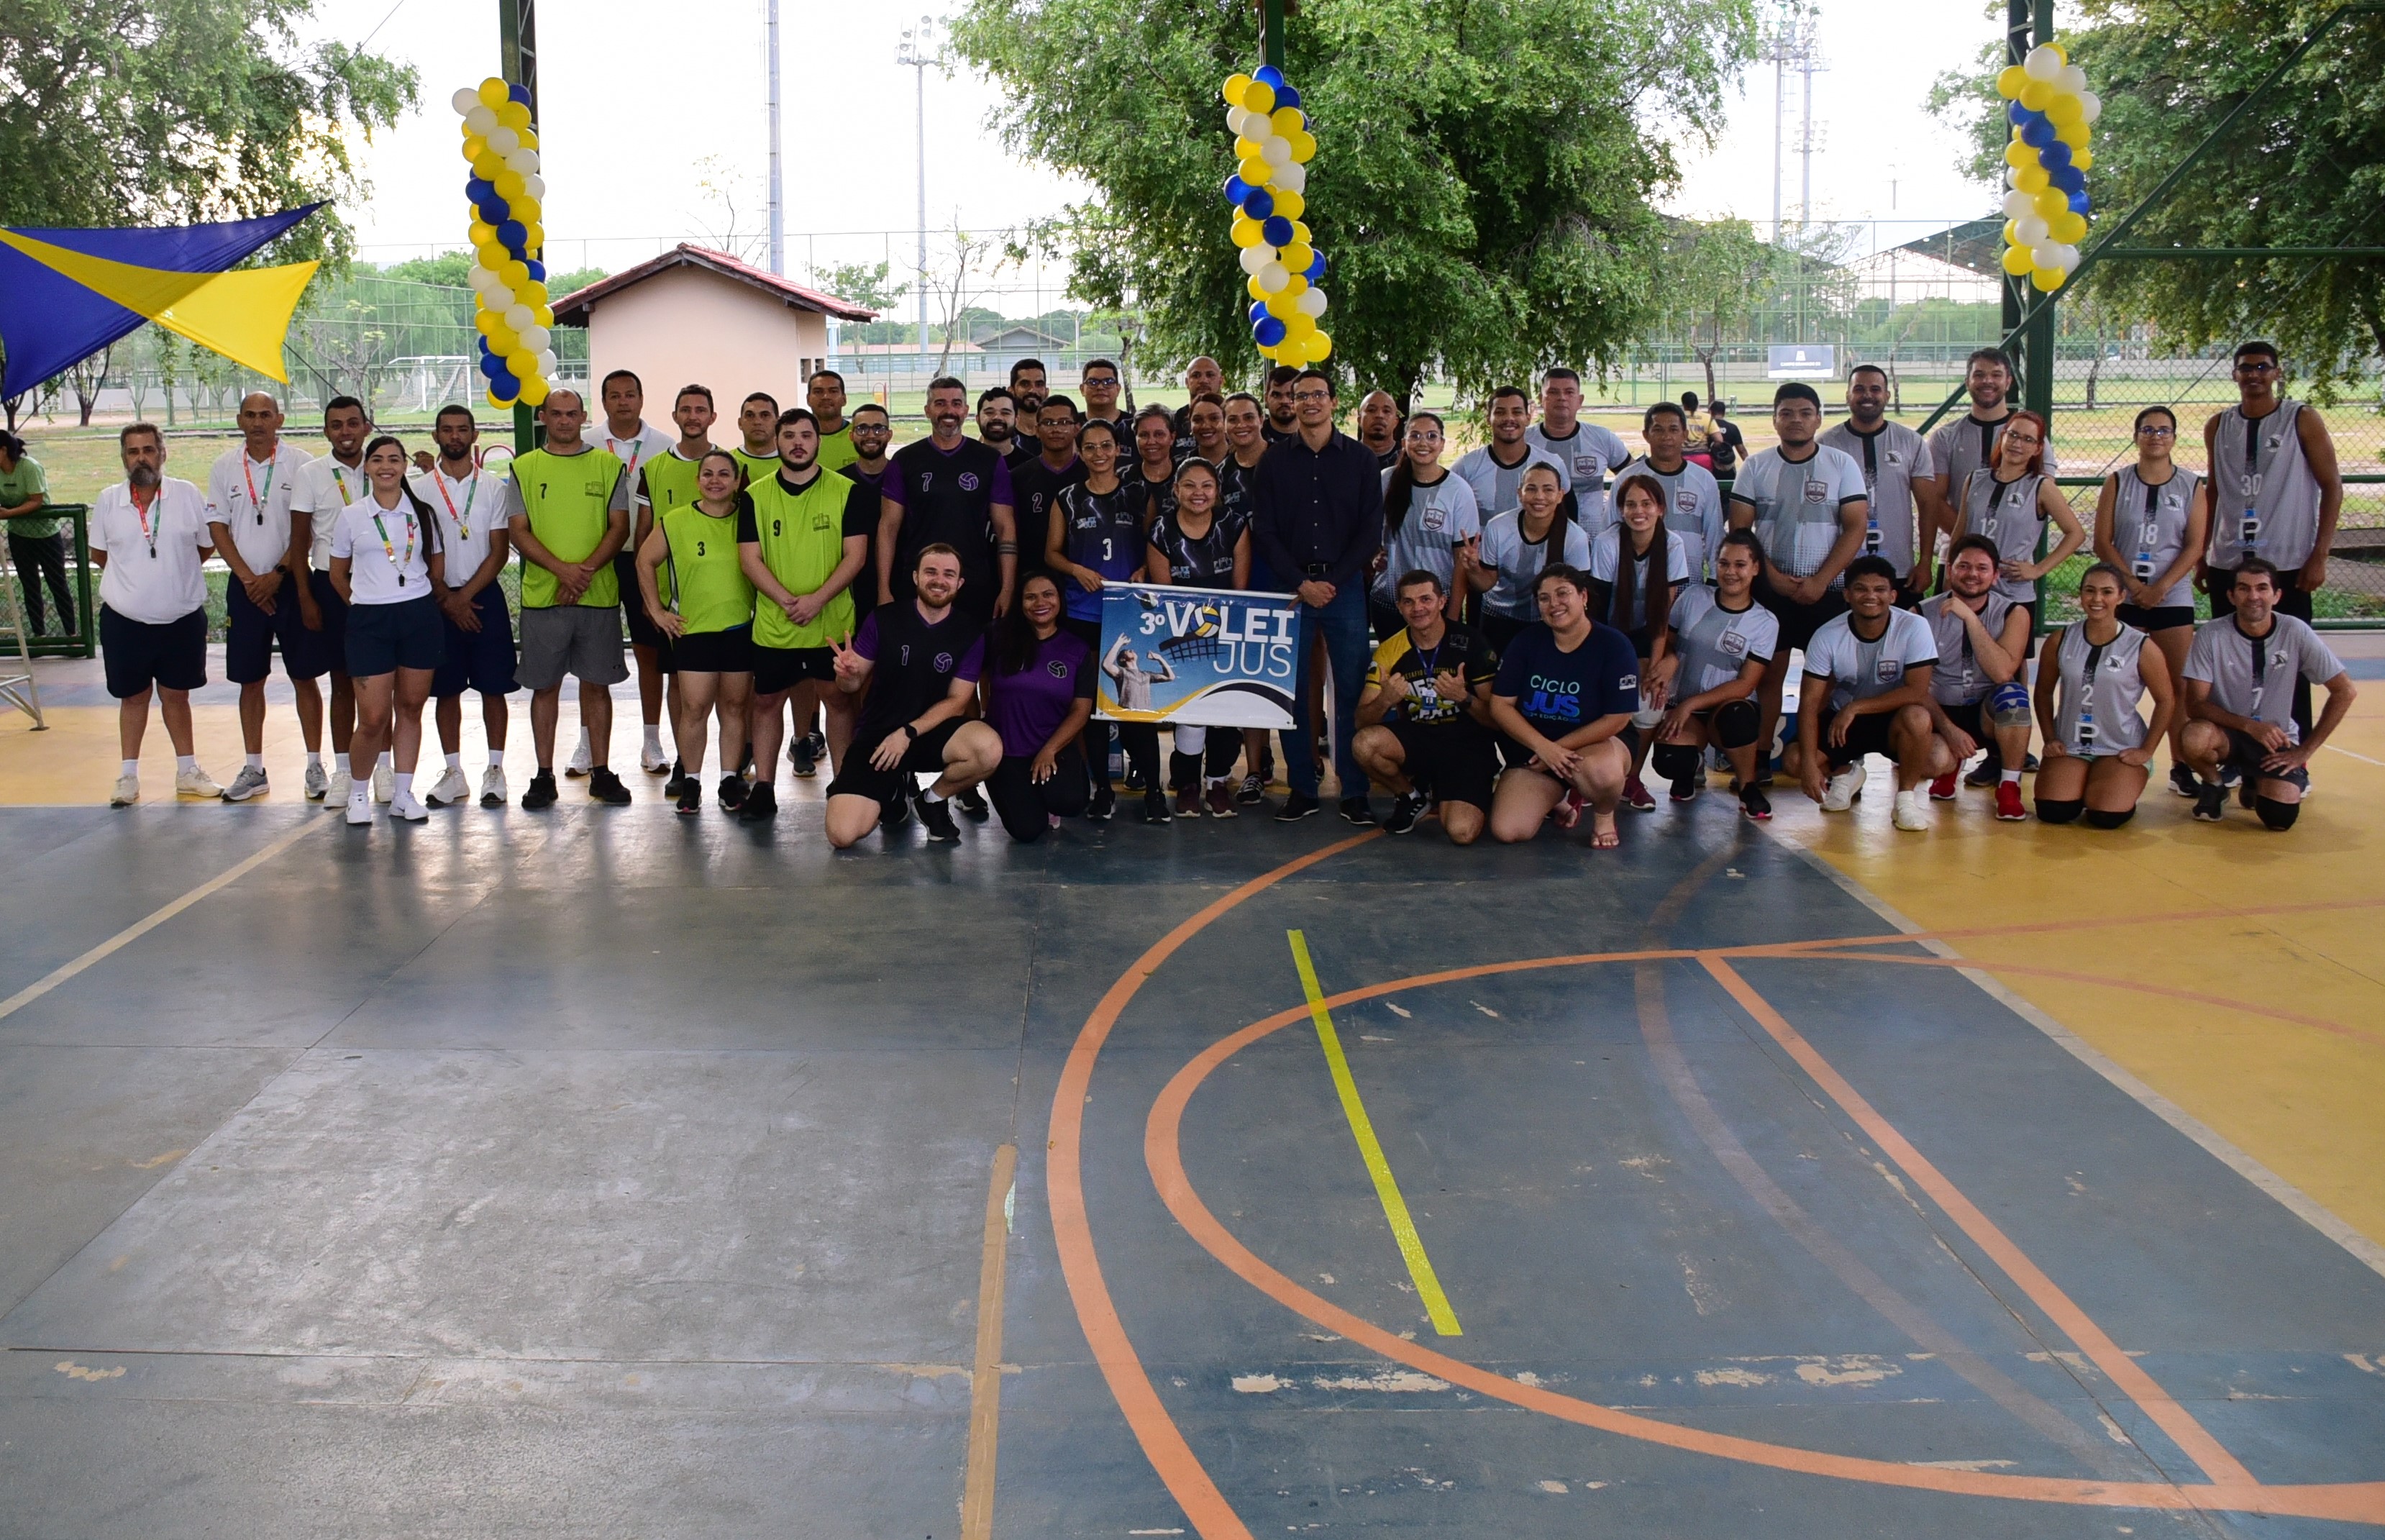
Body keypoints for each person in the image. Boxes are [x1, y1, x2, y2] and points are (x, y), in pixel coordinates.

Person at [1252, 368, 1384, 824]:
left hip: (1343, 589)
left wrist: (1333, 581)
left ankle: (1354, 789)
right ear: (1290, 401)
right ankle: (1303, 788)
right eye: (1299, 395)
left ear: (1333, 402)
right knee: (1289, 693)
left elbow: (1370, 532)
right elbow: (1264, 531)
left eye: (1317, 395)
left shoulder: (1362, 461)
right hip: (1290, 590)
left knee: (1350, 692)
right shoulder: (1273, 461)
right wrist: (1301, 583)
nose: (1309, 402)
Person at [1727, 382, 1871, 783]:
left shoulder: (1841, 464)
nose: (1795, 420)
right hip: (1772, 592)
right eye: (1786, 413)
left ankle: (1833, 756)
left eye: (1805, 413)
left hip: (1827, 590)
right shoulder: (1756, 467)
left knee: (1828, 676)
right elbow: (1741, 530)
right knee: (1769, 674)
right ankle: (1760, 756)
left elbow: (1855, 527)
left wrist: (1822, 581)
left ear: (1819, 419)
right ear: (1774, 419)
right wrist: (1771, 575)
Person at [2202, 340, 2343, 737]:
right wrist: (2202, 553)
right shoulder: (2219, 424)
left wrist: (2320, 555)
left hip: (2287, 562)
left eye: (2262, 368)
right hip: (2228, 560)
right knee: (2228, 660)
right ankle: (2233, 748)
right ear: (2234, 375)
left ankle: (2294, 748)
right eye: (2246, 368)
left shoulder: (2302, 418)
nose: (2254, 375)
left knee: (2289, 660)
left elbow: (2332, 486)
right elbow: (2213, 492)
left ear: (2277, 373)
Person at [739, 409, 870, 822]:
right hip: (776, 626)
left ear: (818, 441)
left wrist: (817, 600)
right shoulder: (755, 495)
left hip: (831, 624)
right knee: (764, 703)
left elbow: (856, 555)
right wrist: (786, 601)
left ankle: (844, 783)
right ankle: (764, 787)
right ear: (777, 441)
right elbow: (749, 559)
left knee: (840, 702)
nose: (798, 442)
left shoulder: (847, 491)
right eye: (789, 435)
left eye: (806, 435)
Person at [824, 545, 1002, 847]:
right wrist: (848, 675)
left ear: (959, 584)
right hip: (880, 735)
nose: (939, 580)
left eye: (949, 574)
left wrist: (908, 733)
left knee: (988, 749)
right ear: (916, 577)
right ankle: (895, 792)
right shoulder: (883, 619)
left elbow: (958, 701)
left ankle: (930, 800)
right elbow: (850, 688)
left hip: (929, 732)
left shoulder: (970, 632)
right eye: (931, 572)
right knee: (842, 835)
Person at [505, 389, 634, 809]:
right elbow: (518, 531)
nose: (564, 421)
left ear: (583, 416)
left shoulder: (608, 465)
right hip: (545, 598)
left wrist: (584, 573)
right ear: (543, 417)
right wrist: (564, 572)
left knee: (597, 688)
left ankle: (601, 772)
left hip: (596, 597)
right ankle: (543, 775)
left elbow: (619, 527)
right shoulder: (523, 468)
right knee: (544, 689)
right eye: (555, 414)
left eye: (571, 414)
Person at [91, 424, 219, 806]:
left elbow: (204, 547)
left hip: (180, 619)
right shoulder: (109, 500)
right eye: (133, 452)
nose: (141, 458)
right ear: (124, 458)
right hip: (125, 621)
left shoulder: (186, 495)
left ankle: (187, 771)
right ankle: (128, 776)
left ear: (163, 454)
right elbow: (101, 555)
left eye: (149, 449)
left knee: (176, 696)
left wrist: (171, 577)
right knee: (133, 698)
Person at [2179, 559, 2356, 830]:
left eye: (2262, 588)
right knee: (2194, 737)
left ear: (2277, 595)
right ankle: (2215, 785)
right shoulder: (2211, 635)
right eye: (2243, 588)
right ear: (2231, 596)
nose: (2253, 597)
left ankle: (2254, 781)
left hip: (2276, 740)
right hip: (2227, 734)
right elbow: (2195, 705)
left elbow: (2344, 691)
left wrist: (2304, 751)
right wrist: (2250, 727)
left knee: (2279, 818)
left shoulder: (2295, 631)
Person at [204, 391, 319, 803]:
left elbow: (305, 529)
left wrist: (279, 574)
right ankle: (254, 767)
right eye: (250, 415)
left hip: (292, 582)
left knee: (304, 676)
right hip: (246, 587)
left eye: (265, 415)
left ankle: (315, 765)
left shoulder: (302, 463)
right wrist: (251, 579)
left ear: (280, 419)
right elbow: (218, 527)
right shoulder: (224, 466)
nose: (258, 422)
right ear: (239, 420)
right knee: (250, 680)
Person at [2092, 406, 2210, 798]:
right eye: (2147, 429)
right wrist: (2131, 584)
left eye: (2163, 430)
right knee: (2114, 679)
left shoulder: (2192, 485)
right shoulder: (2118, 481)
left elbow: (2195, 545)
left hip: (2171, 596)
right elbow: (2102, 541)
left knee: (2176, 687)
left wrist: (2160, 588)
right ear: (2136, 436)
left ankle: (2181, 765)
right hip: (2124, 595)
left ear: (2174, 438)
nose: (2155, 436)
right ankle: (2106, 752)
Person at [329, 434, 444, 826]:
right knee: (374, 718)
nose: (386, 466)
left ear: (404, 465)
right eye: (377, 460)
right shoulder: (351, 516)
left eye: (394, 459)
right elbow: (336, 573)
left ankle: (402, 794)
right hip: (370, 622)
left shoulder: (423, 513)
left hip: (418, 617)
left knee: (411, 708)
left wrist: (416, 597)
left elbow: (437, 565)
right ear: (367, 467)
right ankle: (358, 794)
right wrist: (363, 602)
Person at [1784, 557, 1944, 832]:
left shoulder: (1914, 627)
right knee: (1795, 761)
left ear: (1893, 595)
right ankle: (1846, 774)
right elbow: (1809, 703)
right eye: (1861, 589)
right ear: (1847, 595)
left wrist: (1856, 707)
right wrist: (1811, 765)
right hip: (1841, 724)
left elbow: (1917, 691)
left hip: (1891, 718)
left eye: (1880, 589)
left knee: (1923, 730)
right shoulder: (1827, 635)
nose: (1871, 596)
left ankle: (1905, 800)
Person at [1487, 564, 1641, 849]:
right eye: (1544, 598)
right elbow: (1500, 706)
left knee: (1602, 773)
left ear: (1583, 597)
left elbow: (1618, 718)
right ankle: (1562, 798)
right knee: (1507, 830)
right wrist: (1544, 748)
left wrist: (1558, 750)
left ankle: (1604, 815)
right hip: (1539, 750)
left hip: (1597, 744)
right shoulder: (1525, 643)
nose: (1553, 604)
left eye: (1562, 594)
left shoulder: (1614, 645)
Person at [638, 447, 756, 815]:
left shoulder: (749, 521)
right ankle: (691, 781)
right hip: (693, 630)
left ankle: (728, 779)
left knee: (735, 707)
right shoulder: (675, 520)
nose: (716, 481)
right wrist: (657, 611)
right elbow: (645, 560)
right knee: (695, 708)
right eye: (708, 474)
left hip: (740, 629)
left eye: (724, 474)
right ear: (697, 480)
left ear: (737, 482)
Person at [412, 406, 515, 809]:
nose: (455, 436)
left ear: (475, 435)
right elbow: (417, 552)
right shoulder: (418, 490)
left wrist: (464, 597)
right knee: (446, 690)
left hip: (483, 596)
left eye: (462, 430)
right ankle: (454, 772)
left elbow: (499, 550)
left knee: (494, 686)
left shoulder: (493, 487)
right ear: (436, 436)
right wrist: (447, 599)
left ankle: (495, 770)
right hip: (437, 600)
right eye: (447, 430)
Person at [1141, 457, 1252, 819]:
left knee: (1224, 712)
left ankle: (1217, 781)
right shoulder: (1161, 531)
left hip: (1227, 631)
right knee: (1191, 712)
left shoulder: (1234, 526)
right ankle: (1188, 782)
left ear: (1218, 491)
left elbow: (1240, 592)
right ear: (1176, 491)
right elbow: (1165, 596)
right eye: (1189, 485)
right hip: (1179, 634)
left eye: (1206, 485)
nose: (1198, 493)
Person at [1354, 570, 1500, 842]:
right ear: (1399, 607)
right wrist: (1385, 699)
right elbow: (1361, 721)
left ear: (1442, 602)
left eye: (1426, 599)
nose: (1417, 608)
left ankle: (1467, 791)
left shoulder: (1472, 644)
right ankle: (1411, 796)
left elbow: (1498, 719)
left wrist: (1464, 698)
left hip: (1466, 745)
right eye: (1408, 602)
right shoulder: (1389, 650)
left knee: (1461, 832)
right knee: (1364, 744)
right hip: (1419, 738)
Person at [626, 383, 721, 795]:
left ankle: (736, 766)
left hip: (722, 599)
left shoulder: (727, 466)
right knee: (680, 684)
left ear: (713, 417)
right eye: (687, 409)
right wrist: (652, 601)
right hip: (674, 602)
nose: (694, 416)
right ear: (676, 416)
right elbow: (643, 539)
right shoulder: (654, 468)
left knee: (735, 691)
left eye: (701, 409)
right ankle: (686, 762)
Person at [1047, 416, 1142, 820]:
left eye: (1107, 446)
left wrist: (1144, 573)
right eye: (1090, 447)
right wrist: (1075, 570)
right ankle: (1099, 783)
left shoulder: (1137, 494)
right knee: (1091, 702)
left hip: (1128, 612)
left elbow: (1155, 543)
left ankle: (1148, 779)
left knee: (1134, 698)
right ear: (1079, 451)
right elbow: (1051, 553)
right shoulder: (1066, 497)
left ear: (1118, 451)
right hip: (1083, 612)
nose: (1099, 454)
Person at [2032, 562, 2176, 829]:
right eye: (2090, 591)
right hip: (2072, 745)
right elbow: (2042, 692)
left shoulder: (2140, 645)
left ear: (2121, 597)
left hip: (2119, 747)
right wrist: (2050, 738)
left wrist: (2146, 750)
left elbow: (2166, 700)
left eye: (2107, 592)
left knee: (2105, 817)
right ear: (2081, 594)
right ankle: (2083, 781)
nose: (2097, 599)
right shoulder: (2060, 639)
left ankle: (2113, 784)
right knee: (2053, 811)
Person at [588, 369, 678, 781]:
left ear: (642, 399)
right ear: (604, 401)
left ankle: (651, 738)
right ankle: (587, 740)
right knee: (592, 654)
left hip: (646, 559)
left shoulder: (664, 446)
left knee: (649, 652)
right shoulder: (586, 443)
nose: (623, 402)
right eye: (614, 395)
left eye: (630, 395)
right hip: (598, 557)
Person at [1654, 530, 1777, 820]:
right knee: (1669, 763)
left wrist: (1690, 705)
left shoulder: (1765, 622)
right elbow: (1667, 642)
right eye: (1723, 564)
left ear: (1755, 568)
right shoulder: (1694, 597)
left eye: (1740, 565)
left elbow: (1746, 684)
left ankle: (1747, 786)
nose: (1730, 572)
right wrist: (1670, 659)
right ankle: (1690, 766)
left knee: (1739, 718)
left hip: (1724, 708)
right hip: (1683, 705)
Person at [1586, 473, 1689, 812]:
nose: (1638, 511)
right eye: (1631, 504)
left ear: (1660, 508)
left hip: (1649, 635)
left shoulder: (1672, 544)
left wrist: (1656, 668)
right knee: (1606, 697)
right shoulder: (1607, 542)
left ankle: (1632, 777)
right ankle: (1589, 778)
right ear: (1620, 509)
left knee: (1652, 696)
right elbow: (1598, 609)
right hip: (1609, 634)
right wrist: (1612, 663)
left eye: (1646, 504)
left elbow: (1663, 615)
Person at [879, 376, 1017, 628]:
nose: (949, 411)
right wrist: (883, 588)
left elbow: (1005, 529)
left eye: (956, 403)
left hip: (973, 579)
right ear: (927, 410)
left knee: (976, 659)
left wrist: (1007, 588)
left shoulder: (989, 460)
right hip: (918, 579)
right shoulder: (905, 459)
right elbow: (888, 528)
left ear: (965, 410)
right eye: (940, 403)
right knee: (917, 658)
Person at [288, 396, 373, 801]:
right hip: (330, 584)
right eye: (337, 425)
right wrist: (306, 597)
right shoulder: (311, 474)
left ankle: (385, 770)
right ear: (326, 432)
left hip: (382, 586)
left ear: (366, 427)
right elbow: (299, 541)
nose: (345, 432)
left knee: (380, 682)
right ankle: (343, 771)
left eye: (353, 423)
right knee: (342, 681)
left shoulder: (385, 466)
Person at [1917, 535, 2035, 819]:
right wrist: (1948, 729)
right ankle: (1950, 765)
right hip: (1943, 710)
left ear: (1995, 576)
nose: (1972, 575)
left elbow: (2002, 672)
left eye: (1982, 568)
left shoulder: (2014, 612)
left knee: (2014, 695)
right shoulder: (1921, 614)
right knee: (1934, 761)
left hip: (1987, 713)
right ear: (1950, 570)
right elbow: (1916, 688)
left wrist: (1970, 619)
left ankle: (2009, 784)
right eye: (1964, 566)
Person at [982, 571, 1095, 840]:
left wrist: (1050, 750)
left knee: (1071, 802)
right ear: (1020, 603)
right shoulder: (998, 637)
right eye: (1030, 597)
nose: (1039, 603)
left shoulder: (1076, 649)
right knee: (1028, 831)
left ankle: (1045, 795)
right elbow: (973, 679)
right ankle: (1017, 792)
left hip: (1051, 748)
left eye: (1048, 595)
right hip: (1007, 752)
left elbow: (1081, 711)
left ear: (1059, 599)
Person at [1820, 364, 1943, 605]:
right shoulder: (1827, 444)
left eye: (1875, 389)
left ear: (1887, 395)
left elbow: (1928, 506)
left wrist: (1925, 562)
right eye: (1859, 389)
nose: (1867, 395)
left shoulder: (1910, 442)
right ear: (1848, 395)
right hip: (1842, 570)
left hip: (1899, 570)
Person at [1951, 408, 2082, 632]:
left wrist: (2039, 569)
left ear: (2038, 448)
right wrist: (1950, 574)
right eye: (2013, 435)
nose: (2017, 444)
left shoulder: (2040, 486)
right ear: (2003, 436)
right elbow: (1960, 531)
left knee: (2010, 661)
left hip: (2011, 591)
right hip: (1971, 585)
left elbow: (2076, 533)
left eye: (2027, 439)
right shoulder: (1975, 479)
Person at [1928, 349, 2055, 552]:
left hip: (2011, 557)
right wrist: (1972, 543)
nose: (1987, 381)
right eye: (1979, 375)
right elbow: (1935, 500)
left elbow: (2041, 497)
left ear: (2008, 382)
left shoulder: (2033, 436)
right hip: (1958, 551)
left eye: (1996, 375)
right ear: (1967, 381)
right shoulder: (1945, 437)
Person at [1218, 391, 1280, 803]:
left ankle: (1307, 757)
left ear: (1262, 419)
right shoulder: (1220, 473)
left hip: (1286, 578)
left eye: (1247, 417)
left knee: (1297, 675)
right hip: (1241, 581)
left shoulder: (1285, 461)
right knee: (1251, 675)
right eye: (1232, 419)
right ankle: (1255, 769)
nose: (1240, 425)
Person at [1371, 412, 1479, 639]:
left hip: (1435, 609)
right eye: (1415, 436)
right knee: (1392, 672)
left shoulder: (1458, 491)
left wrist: (1452, 615)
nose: (1423, 443)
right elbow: (1368, 532)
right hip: (1390, 602)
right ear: (1404, 443)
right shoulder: (1385, 481)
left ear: (1442, 444)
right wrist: (1373, 555)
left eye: (1431, 436)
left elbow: (1462, 561)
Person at [1469, 462, 1591, 653]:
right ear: (1520, 494)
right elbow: (1485, 584)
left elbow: (1577, 595)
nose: (1539, 497)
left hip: (1549, 619)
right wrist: (1474, 569)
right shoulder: (1498, 527)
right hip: (1498, 614)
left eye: (1548, 490)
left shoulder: (1575, 537)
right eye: (1531, 489)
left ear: (1560, 496)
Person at [1614, 401, 1725, 582]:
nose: (1666, 437)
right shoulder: (1627, 479)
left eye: (1673, 429)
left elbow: (1715, 536)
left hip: (1690, 582)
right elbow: (1611, 531)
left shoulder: (1704, 480)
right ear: (1646, 435)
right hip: (1638, 584)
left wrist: (1714, 580)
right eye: (1658, 430)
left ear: (1685, 435)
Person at [1526, 367, 1632, 533]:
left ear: (1580, 400)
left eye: (1569, 392)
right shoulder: (1525, 441)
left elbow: (1634, 480)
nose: (1562, 398)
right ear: (1541, 399)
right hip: (1538, 540)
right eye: (1553, 392)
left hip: (1593, 540)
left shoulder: (1602, 438)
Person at [1452, 386, 1567, 529]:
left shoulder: (1553, 464)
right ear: (1488, 418)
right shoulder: (1466, 467)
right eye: (1500, 413)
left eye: (1517, 412)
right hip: (1483, 552)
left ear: (1528, 418)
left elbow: (1568, 517)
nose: (1509, 418)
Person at [0, 432, 70, 639]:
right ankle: (39, 635)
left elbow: (36, 500)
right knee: (29, 585)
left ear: (4, 450)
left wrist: (8, 513)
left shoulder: (29, 467)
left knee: (57, 583)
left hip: (46, 533)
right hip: (19, 534)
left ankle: (72, 635)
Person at [1012, 393, 1087, 583]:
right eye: (1048, 423)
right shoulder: (1018, 477)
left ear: (1077, 429)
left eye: (1064, 422)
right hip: (1032, 576)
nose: (1056, 429)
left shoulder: (1090, 473)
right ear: (1037, 430)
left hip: (1083, 578)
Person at [839, 402, 895, 627]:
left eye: (878, 429)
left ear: (889, 435)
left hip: (896, 581)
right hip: (849, 585)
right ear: (851, 436)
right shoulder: (838, 483)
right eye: (862, 429)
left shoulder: (903, 478)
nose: (870, 435)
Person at [1126, 404, 1182, 529]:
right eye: (1144, 435)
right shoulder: (1123, 478)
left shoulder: (1187, 475)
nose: (1151, 441)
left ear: (1172, 438)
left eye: (1159, 434)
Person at [1170, 357, 1226, 458]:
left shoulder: (1234, 417)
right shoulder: (1174, 421)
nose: (1203, 380)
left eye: (1210, 375)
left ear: (1221, 381)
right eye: (1196, 375)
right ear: (1187, 382)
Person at [809, 370, 859, 473]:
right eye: (818, 392)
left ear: (844, 399)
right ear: (808, 399)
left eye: (833, 391)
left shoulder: (859, 436)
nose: (826, 397)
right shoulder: (798, 440)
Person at [1007, 359, 1051, 466]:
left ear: (1047, 391)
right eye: (1025, 384)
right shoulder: (1003, 435)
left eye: (1039, 384)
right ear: (1011, 391)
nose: (1032, 390)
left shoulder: (1056, 435)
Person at [730, 392, 781, 483]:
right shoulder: (728, 461)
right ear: (740, 423)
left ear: (777, 423)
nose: (757, 422)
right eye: (750, 415)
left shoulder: (791, 463)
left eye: (765, 415)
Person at [1080, 358, 1131, 444]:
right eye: (1093, 382)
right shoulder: (1072, 427)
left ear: (1118, 389)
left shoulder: (1134, 427)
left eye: (1108, 382)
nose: (1100, 387)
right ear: (1082, 389)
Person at [1356, 389, 1404, 468]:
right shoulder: (1346, 456)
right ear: (1359, 420)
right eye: (1371, 410)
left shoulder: (1406, 459)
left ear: (1396, 422)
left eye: (1386, 411)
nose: (1379, 415)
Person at [975, 386, 1021, 464]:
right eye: (989, 412)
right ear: (978, 419)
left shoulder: (1029, 465)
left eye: (1005, 413)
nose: (997, 417)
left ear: (1016, 420)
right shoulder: (964, 461)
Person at [1704, 398, 1745, 479]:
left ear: (1710, 412)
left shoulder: (1706, 427)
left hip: (1710, 468)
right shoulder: (1733, 428)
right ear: (1724, 413)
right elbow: (1742, 451)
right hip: (1728, 467)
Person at [1260, 364, 1300, 444]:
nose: (1284, 401)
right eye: (1276, 395)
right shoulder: (1254, 440)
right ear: (1266, 398)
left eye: (1290, 395)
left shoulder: (1316, 440)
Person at [1679, 391, 1715, 470]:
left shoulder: (1677, 417)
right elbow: (1719, 439)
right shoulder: (1707, 417)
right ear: (1697, 403)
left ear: (1683, 404)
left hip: (1682, 459)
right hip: (1703, 458)